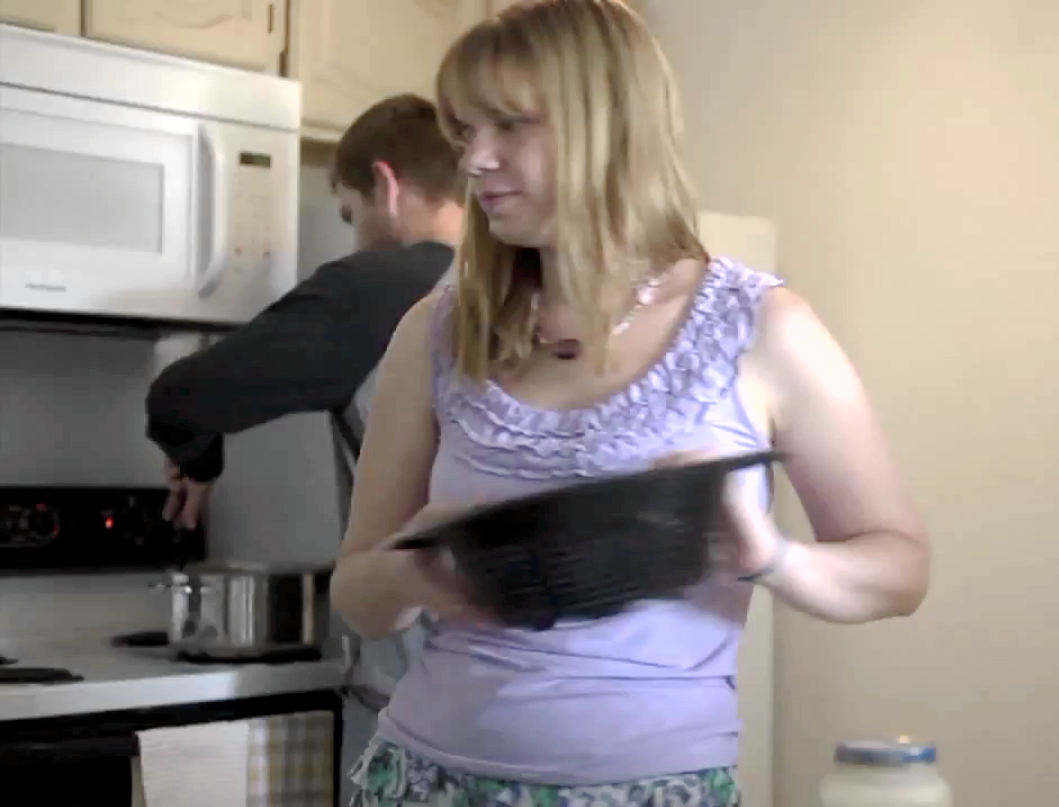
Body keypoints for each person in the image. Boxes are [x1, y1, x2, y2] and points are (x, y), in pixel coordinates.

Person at [331, 1, 931, 805]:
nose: (475, 161)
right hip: (423, 778)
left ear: (609, 127)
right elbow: (356, 592)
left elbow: (899, 568)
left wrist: (769, 559)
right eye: (466, 131)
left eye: (508, 125)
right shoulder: (436, 333)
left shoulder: (762, 328)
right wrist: (420, 575)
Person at [143, 93, 464, 801]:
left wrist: (198, 458)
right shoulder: (536, 281)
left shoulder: (375, 289)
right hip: (550, 710)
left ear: (384, 183)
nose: (352, 241)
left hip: (412, 705)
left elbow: (183, 396)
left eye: (350, 215)